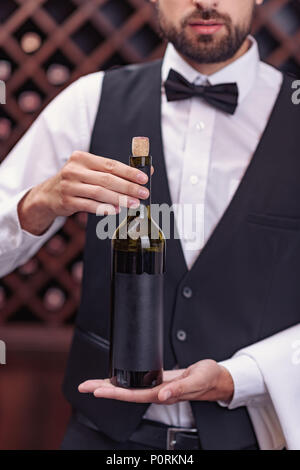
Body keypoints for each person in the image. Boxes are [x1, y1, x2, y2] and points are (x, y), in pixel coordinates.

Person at [0, 0, 299, 450]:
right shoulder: (89, 99)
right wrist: (39, 202)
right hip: (101, 437)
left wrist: (242, 377)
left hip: (255, 434)